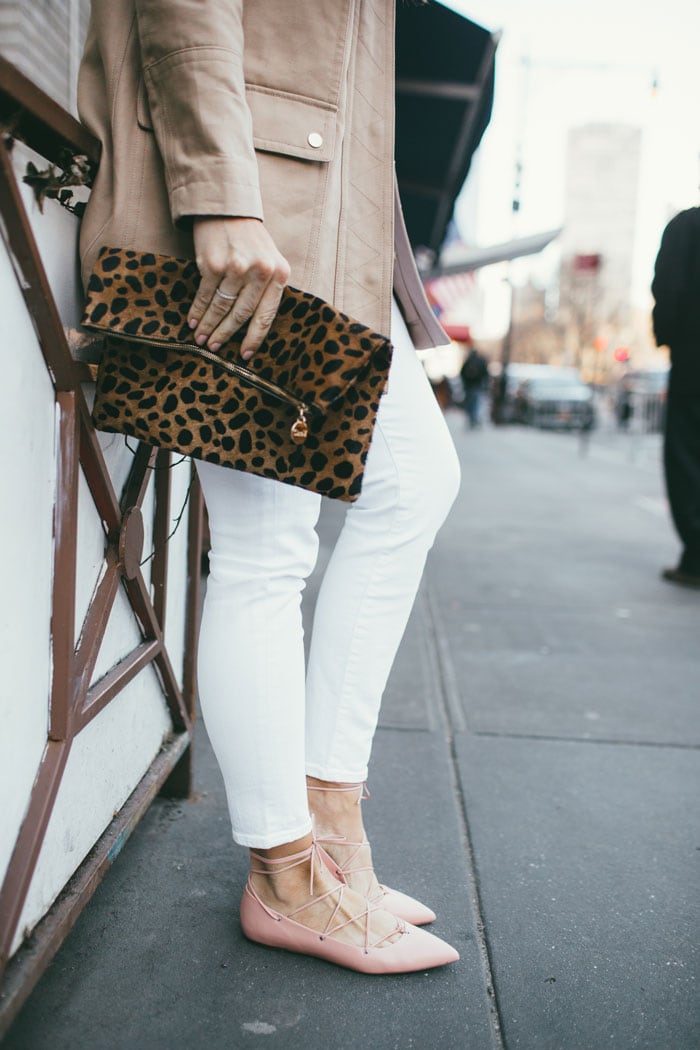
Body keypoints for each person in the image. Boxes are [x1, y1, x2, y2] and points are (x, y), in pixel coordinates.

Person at [78, 1, 461, 972]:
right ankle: (287, 876)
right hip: (258, 201)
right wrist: (219, 192)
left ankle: (329, 824)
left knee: (415, 482)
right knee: (266, 549)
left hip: (326, 209)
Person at [651, 207, 700, 590]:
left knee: (685, 454)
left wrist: (670, 336)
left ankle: (696, 557)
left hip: (693, 356)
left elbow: (669, 287)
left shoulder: (689, 225)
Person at [459, 342, 489, 428]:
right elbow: (485, 373)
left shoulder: (468, 360)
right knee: (475, 402)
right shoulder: (480, 361)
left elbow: (461, 372)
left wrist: (464, 382)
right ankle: (473, 418)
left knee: (469, 402)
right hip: (477, 385)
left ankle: (470, 418)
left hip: (468, 386)